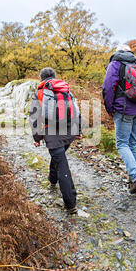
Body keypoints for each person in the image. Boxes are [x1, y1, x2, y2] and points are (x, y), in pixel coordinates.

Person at [102, 44, 136, 194]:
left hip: (123, 110)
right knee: (133, 143)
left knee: (122, 143)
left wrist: (109, 108)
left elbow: (108, 88)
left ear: (117, 52)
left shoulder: (115, 64)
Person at [29, 67, 82, 215]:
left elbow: (34, 117)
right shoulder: (65, 89)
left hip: (52, 135)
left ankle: (71, 204)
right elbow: (76, 110)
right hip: (69, 132)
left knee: (62, 166)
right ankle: (52, 179)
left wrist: (37, 137)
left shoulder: (40, 92)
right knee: (59, 157)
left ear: (41, 78)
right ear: (54, 77)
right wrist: (78, 131)